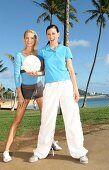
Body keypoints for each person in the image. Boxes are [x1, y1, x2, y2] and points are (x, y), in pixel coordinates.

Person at [29, 25, 88, 164]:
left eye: (53, 33)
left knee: (72, 118)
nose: (51, 36)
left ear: (58, 34)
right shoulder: (43, 51)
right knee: (47, 119)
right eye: (48, 34)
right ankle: (40, 152)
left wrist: (75, 89)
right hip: (50, 86)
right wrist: (35, 73)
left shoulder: (65, 49)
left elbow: (71, 70)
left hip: (66, 85)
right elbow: (42, 71)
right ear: (46, 36)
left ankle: (80, 152)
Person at [3, 29, 61, 163]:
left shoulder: (39, 53)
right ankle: (6, 151)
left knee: (46, 118)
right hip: (25, 90)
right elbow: (16, 75)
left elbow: (44, 71)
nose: (29, 40)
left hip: (39, 88)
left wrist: (38, 74)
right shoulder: (19, 55)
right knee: (17, 121)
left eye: (32, 38)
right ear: (24, 39)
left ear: (35, 40)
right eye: (27, 38)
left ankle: (51, 141)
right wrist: (20, 95)